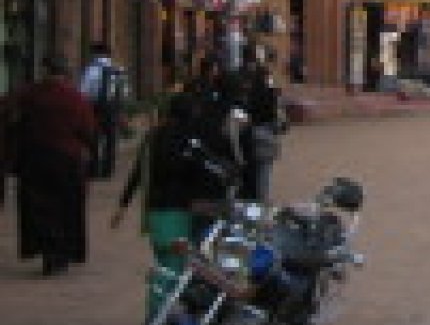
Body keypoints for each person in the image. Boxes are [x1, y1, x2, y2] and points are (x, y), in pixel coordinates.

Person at [111, 91, 236, 273]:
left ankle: (158, 291)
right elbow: (204, 171)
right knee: (175, 268)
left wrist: (122, 207)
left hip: (154, 212)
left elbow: (137, 172)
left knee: (163, 264)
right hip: (179, 211)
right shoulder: (190, 141)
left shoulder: (153, 137)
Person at [11, 54, 97, 275]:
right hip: (67, 159)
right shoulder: (76, 98)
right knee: (67, 206)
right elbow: (87, 130)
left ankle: (48, 251)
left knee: (40, 208)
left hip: (35, 158)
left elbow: (14, 119)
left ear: (45, 71)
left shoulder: (30, 94)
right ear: (64, 73)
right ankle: (62, 252)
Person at [240, 45, 286, 203]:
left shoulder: (248, 93)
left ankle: (253, 200)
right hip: (267, 132)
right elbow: (277, 115)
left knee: (252, 170)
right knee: (265, 171)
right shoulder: (271, 94)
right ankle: (262, 202)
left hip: (251, 131)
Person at [79, 41, 128, 179]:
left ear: (95, 54)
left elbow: (83, 91)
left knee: (94, 138)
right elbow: (124, 92)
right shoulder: (119, 70)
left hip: (95, 107)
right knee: (111, 139)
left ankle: (93, 169)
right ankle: (108, 170)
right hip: (113, 108)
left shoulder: (91, 70)